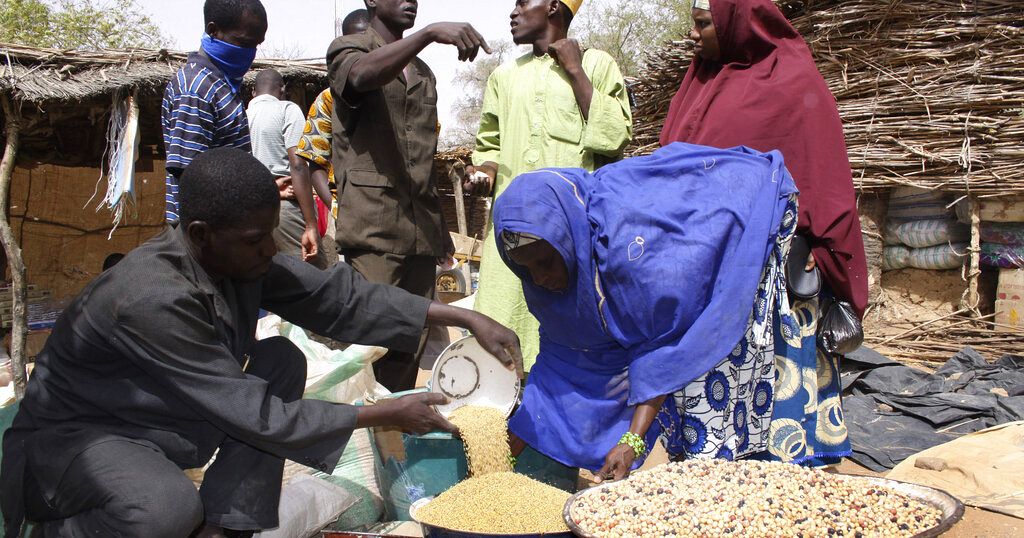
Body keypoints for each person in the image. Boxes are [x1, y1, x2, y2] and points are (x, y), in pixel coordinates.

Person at [0, 148, 522, 538]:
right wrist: (383, 413)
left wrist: (458, 315)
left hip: (153, 422)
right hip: (76, 444)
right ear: (201, 233)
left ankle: (226, 526)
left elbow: (336, 298)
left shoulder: (235, 258)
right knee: (166, 510)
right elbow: (252, 413)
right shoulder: (150, 297)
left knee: (279, 360)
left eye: (271, 233)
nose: (268, 250)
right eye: (256, 240)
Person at [492, 143, 797, 480]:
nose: (539, 278)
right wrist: (515, 437)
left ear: (568, 238)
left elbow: (663, 352)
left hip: (742, 215)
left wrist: (631, 442)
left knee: (706, 378)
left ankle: (726, 487)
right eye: (526, 269)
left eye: (546, 262)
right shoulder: (549, 262)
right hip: (667, 277)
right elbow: (564, 355)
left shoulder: (633, 259)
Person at [658, 0, 868, 465]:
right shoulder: (698, 85)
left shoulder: (792, 80)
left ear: (736, 21)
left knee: (777, 410)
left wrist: (842, 274)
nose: (692, 36)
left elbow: (826, 183)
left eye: (701, 24)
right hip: (703, 273)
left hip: (773, 281)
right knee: (707, 424)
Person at [325, 0, 492, 392]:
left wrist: (440, 231)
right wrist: (429, 33)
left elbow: (422, 158)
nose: (410, 2)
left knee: (409, 343)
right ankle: (364, 433)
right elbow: (361, 77)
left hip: (419, 232)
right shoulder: (349, 50)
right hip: (374, 227)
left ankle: (393, 432)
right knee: (372, 341)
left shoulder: (423, 74)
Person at [465, 0, 632, 372]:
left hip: (570, 235)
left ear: (554, 6)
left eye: (523, 2)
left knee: (572, 332)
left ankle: (565, 414)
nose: (514, 11)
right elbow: (489, 143)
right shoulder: (504, 76)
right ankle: (508, 414)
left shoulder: (597, 65)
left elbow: (615, 136)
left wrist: (574, 69)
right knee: (503, 325)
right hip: (512, 232)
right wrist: (487, 171)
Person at [162, 0, 267, 225]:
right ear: (213, 30)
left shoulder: (221, 84)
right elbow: (191, 176)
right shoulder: (196, 88)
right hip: (206, 236)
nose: (250, 54)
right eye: (244, 43)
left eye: (256, 45)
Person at [295, 9, 372, 239]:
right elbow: (314, 162)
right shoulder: (328, 100)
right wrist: (338, 209)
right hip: (352, 215)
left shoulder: (403, 93)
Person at [248, 68, 324, 268]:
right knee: (314, 278)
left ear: (253, 93)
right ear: (282, 90)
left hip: (250, 210)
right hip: (286, 211)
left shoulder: (240, 116)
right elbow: (298, 165)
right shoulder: (287, 110)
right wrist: (310, 224)